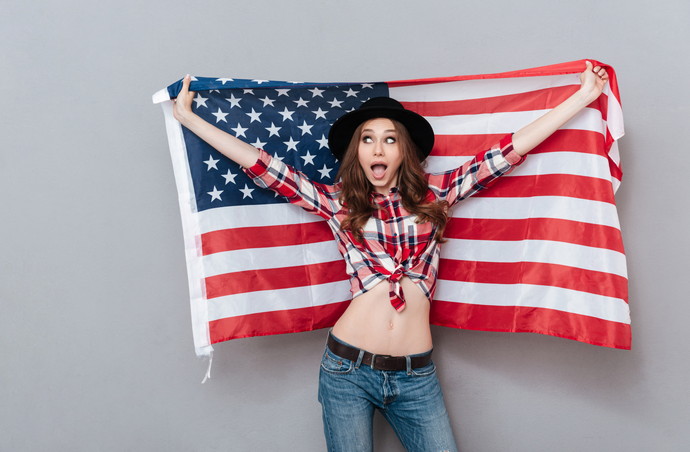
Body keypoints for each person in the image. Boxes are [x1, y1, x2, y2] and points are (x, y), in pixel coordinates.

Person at [173, 62, 609, 452]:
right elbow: (265, 167)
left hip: (416, 377)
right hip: (346, 370)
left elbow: (507, 152)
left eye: (388, 140)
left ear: (404, 151)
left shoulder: (439, 193)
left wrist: (583, 97)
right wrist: (189, 119)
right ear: (357, 151)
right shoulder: (336, 203)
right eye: (367, 140)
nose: (378, 150)